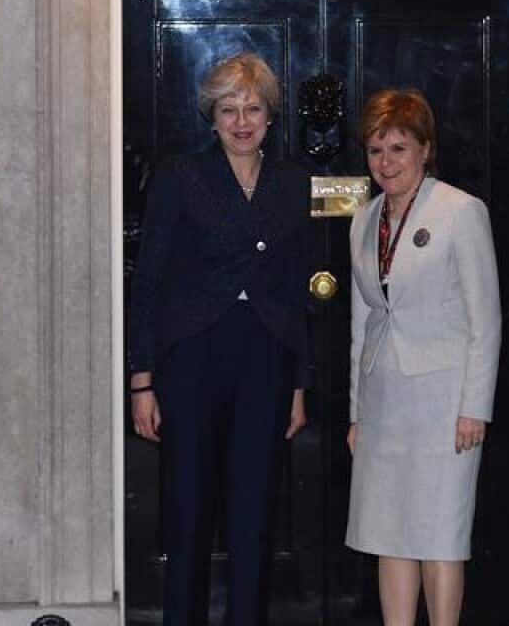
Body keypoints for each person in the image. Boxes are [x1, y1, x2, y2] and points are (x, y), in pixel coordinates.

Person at [126, 52, 310, 626]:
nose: (240, 121)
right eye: (228, 109)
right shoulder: (180, 177)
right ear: (211, 116)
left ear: (270, 116)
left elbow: (296, 286)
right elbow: (149, 279)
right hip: (193, 360)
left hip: (265, 358)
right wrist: (142, 379)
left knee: (253, 514)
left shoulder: (293, 182)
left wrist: (300, 383)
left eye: (252, 108)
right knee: (188, 512)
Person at [345, 88, 502, 625]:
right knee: (389, 530)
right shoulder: (363, 221)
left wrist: (473, 407)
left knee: (439, 534)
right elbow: (362, 323)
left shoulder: (460, 211)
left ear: (425, 150)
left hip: (444, 406)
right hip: (385, 401)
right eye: (375, 150)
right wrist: (356, 414)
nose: (386, 162)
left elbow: (487, 320)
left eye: (398, 148)